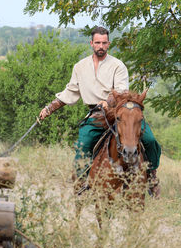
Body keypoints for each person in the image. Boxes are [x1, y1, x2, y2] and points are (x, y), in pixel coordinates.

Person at [39, 26, 161, 197]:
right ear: (91, 44)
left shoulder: (118, 65)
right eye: (97, 42)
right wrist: (49, 109)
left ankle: (151, 176)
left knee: (150, 139)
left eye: (104, 42)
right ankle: (81, 182)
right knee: (85, 142)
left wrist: (108, 101)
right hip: (96, 115)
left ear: (108, 44)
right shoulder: (80, 67)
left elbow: (121, 90)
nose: (101, 46)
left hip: (119, 111)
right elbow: (70, 92)